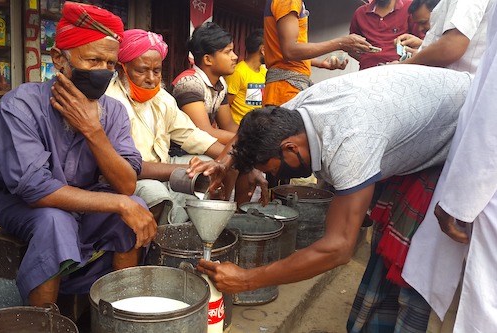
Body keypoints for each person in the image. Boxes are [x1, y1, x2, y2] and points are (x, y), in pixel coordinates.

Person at [190, 64, 471, 332]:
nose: (270, 176)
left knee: (415, 264)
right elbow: (251, 128)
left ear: (290, 148)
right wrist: (225, 163)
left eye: (270, 169)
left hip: (471, 130)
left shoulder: (350, 145)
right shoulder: (296, 114)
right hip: (421, 112)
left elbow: (338, 248)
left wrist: (248, 279)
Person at [0, 2, 157, 306]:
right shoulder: (20, 105)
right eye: (93, 60)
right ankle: (42, 325)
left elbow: (126, 184)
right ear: (58, 59)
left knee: (134, 209)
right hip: (24, 207)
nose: (103, 72)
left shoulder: (113, 112)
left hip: (86, 202)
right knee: (56, 221)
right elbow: (34, 189)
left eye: (109, 64)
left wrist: (93, 130)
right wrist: (118, 203)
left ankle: (117, 316)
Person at [402, 4, 497, 332]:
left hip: (477, 164)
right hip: (475, 153)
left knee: (475, 299)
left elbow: (492, 111)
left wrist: (459, 198)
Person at [106, 29, 227, 225]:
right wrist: (183, 168)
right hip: (130, 177)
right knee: (155, 193)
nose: (151, 79)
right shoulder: (111, 103)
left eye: (156, 71)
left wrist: (228, 159)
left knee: (208, 165)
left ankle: (192, 230)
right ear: (122, 69)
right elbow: (128, 167)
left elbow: (192, 135)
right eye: (142, 70)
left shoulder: (162, 98)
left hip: (163, 164)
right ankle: (158, 246)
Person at [263, 0, 372, 106]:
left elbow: (284, 51)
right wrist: (340, 43)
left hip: (285, 88)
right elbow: (290, 51)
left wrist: (320, 63)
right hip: (285, 89)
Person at [172, 22, 239, 146]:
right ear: (208, 59)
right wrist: (250, 141)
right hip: (180, 151)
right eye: (227, 52)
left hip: (202, 148)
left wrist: (255, 137)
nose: (235, 56)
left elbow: (228, 125)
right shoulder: (189, 83)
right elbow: (204, 133)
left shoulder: (220, 83)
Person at [401, 0, 495, 75]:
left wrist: (404, 65)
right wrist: (421, 51)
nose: (420, 28)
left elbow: (451, 48)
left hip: (458, 83)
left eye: (423, 22)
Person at [349, 0, 421, 69]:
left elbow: (423, 45)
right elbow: (351, 47)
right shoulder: (360, 13)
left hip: (400, 69)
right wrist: (366, 59)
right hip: (368, 72)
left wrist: (404, 62)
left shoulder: (410, 7)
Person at [225, 29, 267, 125]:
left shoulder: (264, 72)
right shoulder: (238, 72)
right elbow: (226, 105)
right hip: (238, 129)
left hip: (257, 128)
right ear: (263, 50)